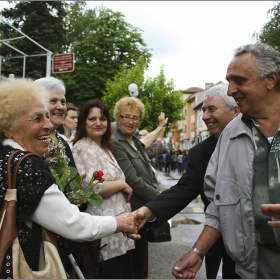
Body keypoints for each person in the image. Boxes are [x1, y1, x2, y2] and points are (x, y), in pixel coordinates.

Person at [0, 78, 140, 279]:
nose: (48, 124)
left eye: (47, 117)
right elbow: (75, 225)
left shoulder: (5, 154)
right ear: (9, 126)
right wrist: (119, 223)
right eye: (37, 118)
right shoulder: (26, 165)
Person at [171, 43, 280, 279]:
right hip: (248, 271)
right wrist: (198, 251)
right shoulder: (230, 134)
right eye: (228, 81)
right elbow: (220, 208)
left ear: (271, 79)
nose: (230, 91)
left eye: (239, 81)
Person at [131, 83, 239, 279]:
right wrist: (149, 211)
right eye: (204, 109)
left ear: (235, 111)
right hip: (216, 247)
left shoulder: (259, 143)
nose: (205, 116)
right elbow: (183, 190)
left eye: (211, 109)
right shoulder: (200, 152)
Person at [71, 100, 135, 279]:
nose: (98, 123)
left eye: (102, 118)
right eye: (92, 118)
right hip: (104, 227)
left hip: (119, 226)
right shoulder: (82, 147)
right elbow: (93, 188)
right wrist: (123, 185)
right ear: (83, 122)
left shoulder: (105, 147)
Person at [111, 96, 160, 279]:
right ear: (118, 117)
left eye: (135, 118)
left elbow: (148, 172)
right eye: (126, 116)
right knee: (133, 266)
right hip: (131, 211)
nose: (130, 121)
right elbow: (132, 179)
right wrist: (159, 195)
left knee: (140, 264)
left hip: (143, 210)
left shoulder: (137, 142)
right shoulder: (116, 143)